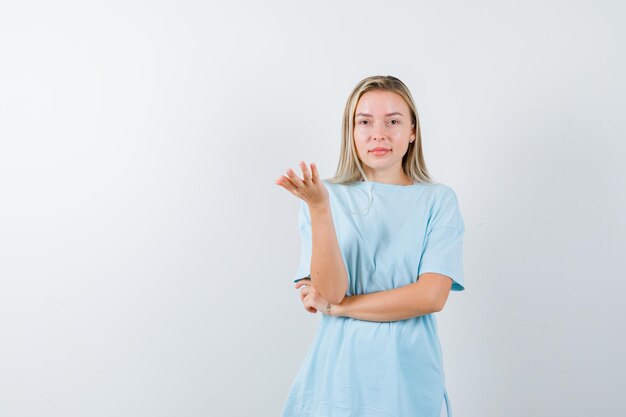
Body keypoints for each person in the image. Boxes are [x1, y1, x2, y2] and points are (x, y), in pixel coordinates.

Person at [274, 75, 465, 417]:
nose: (379, 133)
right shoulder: (321, 197)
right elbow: (331, 292)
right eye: (364, 122)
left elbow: (431, 296)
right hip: (338, 380)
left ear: (412, 131)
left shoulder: (438, 200)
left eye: (393, 121)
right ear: (351, 131)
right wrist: (320, 208)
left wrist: (342, 309)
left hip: (408, 380)